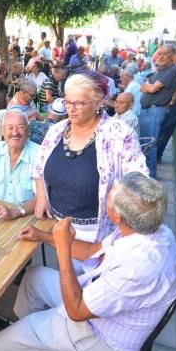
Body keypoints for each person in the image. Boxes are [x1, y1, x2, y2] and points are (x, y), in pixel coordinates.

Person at [0, 172, 176, 351]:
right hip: (97, 302)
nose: (104, 195)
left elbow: (76, 312)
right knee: (34, 277)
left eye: (108, 195)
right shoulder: (149, 229)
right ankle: (27, 343)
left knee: (31, 327)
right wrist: (43, 236)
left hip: (105, 338)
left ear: (116, 215)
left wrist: (63, 248)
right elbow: (91, 251)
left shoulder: (137, 267)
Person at [33, 72, 148, 245]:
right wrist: (41, 197)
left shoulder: (120, 134)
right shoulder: (57, 130)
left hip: (96, 234)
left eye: (79, 103)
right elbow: (39, 167)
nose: (70, 109)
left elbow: (138, 180)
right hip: (54, 224)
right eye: (67, 101)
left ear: (99, 102)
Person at [139, 44, 176, 178]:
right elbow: (144, 87)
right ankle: (145, 173)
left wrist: (147, 87)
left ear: (173, 56)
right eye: (160, 53)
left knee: (149, 144)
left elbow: (151, 89)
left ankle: (150, 176)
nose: (160, 56)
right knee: (144, 143)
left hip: (154, 111)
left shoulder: (173, 70)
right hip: (147, 110)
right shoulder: (161, 70)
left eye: (164, 54)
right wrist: (147, 86)